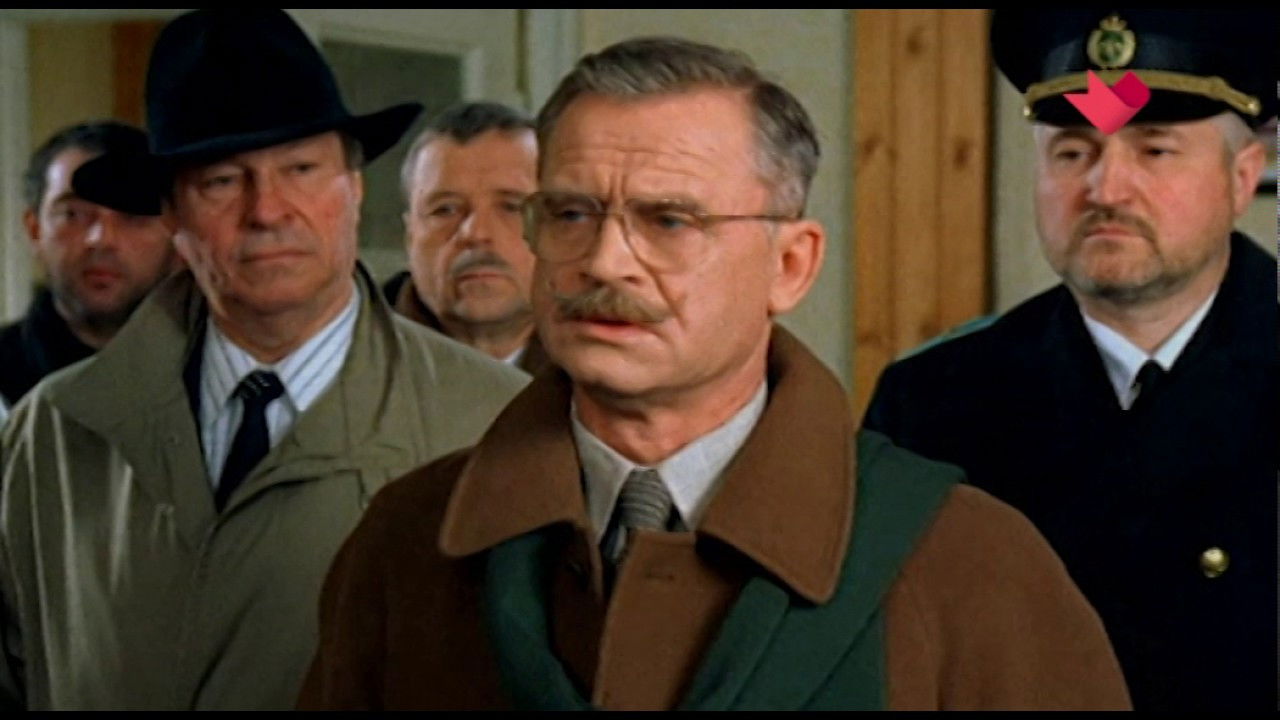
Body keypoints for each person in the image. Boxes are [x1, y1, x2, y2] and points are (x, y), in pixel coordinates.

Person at [300, 37, 1130, 710]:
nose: (605, 260)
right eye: (571, 213)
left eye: (669, 220)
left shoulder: (968, 564)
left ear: (791, 265)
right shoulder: (404, 544)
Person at [0, 9, 526, 711]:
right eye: (222, 181)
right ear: (172, 212)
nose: (268, 211)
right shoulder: (54, 432)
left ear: (355, 185)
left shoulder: (496, 423)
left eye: (301, 170)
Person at [863, 10, 1277, 711]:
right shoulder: (933, 399)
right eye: (1072, 153)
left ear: (1241, 178)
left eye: (1155, 150)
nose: (1105, 190)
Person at [0, 121, 179, 407]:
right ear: (34, 230)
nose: (102, 239)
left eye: (132, 216)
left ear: (176, 235)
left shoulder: (212, 377)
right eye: (74, 214)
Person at [383, 101, 550, 374]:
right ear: (410, 235)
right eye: (445, 210)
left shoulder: (615, 368)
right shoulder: (347, 360)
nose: (476, 234)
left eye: (511, 207)